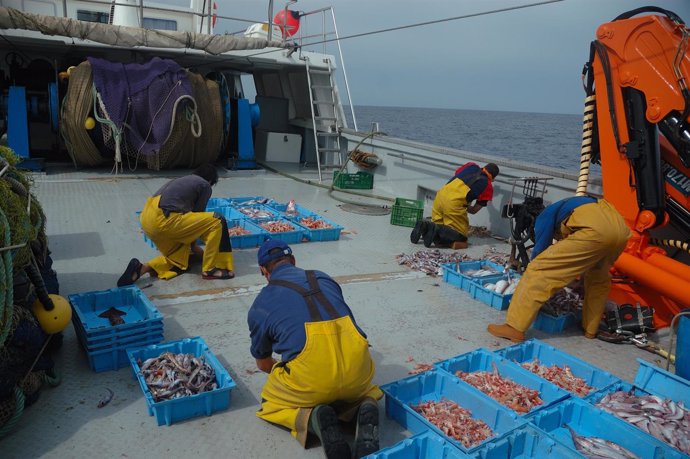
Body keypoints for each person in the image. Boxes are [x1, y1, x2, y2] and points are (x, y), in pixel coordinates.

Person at [248, 240, 383, 459]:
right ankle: (363, 404)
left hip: (311, 378)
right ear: (293, 260)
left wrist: (291, 371)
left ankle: (311, 419)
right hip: (357, 367)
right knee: (357, 388)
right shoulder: (323, 277)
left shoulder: (260, 303)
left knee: (269, 403)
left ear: (263, 271)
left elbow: (263, 364)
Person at [487, 196, 630, 343]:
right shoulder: (574, 205)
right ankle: (590, 329)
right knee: (598, 278)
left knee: (538, 270)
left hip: (595, 232)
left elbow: (539, 253)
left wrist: (535, 266)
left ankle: (514, 327)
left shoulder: (544, 216)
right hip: (621, 232)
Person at [117, 163, 234, 287]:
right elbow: (198, 215)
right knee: (217, 220)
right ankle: (211, 269)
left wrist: (197, 252)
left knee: (180, 259)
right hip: (165, 221)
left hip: (148, 221)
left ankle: (142, 269)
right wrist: (194, 246)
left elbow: (190, 221)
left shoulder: (180, 180)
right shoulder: (204, 184)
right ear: (210, 180)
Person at [410, 162, 499, 249]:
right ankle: (436, 229)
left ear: (484, 167)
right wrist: (465, 205)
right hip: (453, 205)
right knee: (461, 238)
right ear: (493, 178)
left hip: (440, 196)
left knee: (439, 224)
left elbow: (457, 174)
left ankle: (425, 225)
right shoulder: (488, 186)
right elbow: (473, 211)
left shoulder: (471, 165)